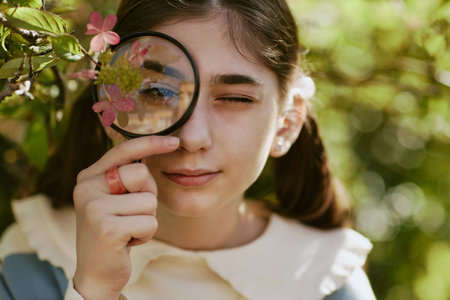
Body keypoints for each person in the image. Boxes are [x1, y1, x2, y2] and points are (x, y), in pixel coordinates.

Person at [0, 0, 376, 299]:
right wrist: (94, 290)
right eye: (155, 92)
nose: (193, 137)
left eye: (234, 98)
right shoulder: (34, 260)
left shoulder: (326, 280)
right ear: (111, 108)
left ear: (287, 122)